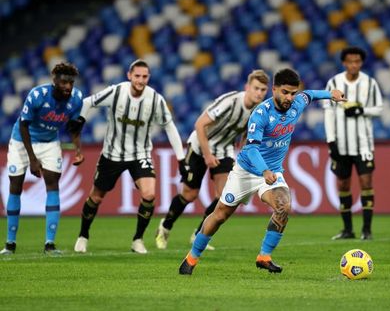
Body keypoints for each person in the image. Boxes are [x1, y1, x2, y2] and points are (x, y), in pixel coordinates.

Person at [178, 68, 346, 275]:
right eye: (285, 92)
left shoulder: (297, 103)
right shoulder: (261, 113)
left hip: (272, 172)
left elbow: (310, 94)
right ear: (274, 89)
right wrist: (264, 170)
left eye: (293, 93)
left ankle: (264, 256)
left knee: (284, 206)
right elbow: (250, 148)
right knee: (220, 214)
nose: (290, 98)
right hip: (247, 171)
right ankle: (191, 257)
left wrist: (331, 94)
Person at [73, 59, 186, 254]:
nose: (141, 80)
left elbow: (169, 126)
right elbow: (87, 102)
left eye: (144, 77)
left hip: (140, 153)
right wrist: (81, 119)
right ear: (129, 76)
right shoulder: (117, 91)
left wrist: (181, 158)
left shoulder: (155, 99)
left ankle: (137, 240)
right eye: (137, 76)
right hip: (112, 154)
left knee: (149, 195)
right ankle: (83, 235)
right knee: (96, 197)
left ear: (148, 77)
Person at [155, 70, 269, 251]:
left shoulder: (259, 110)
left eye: (263, 90)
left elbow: (248, 135)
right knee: (189, 194)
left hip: (224, 150)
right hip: (200, 146)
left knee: (224, 195)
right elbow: (200, 124)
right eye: (256, 88)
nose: (259, 93)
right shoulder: (230, 101)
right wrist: (207, 155)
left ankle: (199, 234)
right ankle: (165, 227)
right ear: (247, 87)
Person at [1, 62, 84, 255]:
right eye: (64, 82)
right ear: (54, 81)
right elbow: (23, 126)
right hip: (22, 141)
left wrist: (78, 150)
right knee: (15, 186)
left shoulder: (77, 98)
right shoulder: (37, 95)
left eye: (71, 82)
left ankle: (49, 244)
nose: (68, 87)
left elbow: (73, 127)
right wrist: (32, 159)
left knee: (53, 184)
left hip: (49, 143)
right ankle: (10, 244)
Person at [323, 46, 383, 240]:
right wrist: (331, 140)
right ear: (344, 63)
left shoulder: (370, 83)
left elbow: (379, 109)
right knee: (343, 184)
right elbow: (328, 112)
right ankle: (348, 230)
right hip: (340, 144)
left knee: (366, 182)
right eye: (350, 61)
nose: (354, 64)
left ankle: (367, 230)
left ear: (361, 62)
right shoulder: (334, 82)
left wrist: (361, 110)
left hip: (363, 144)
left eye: (357, 61)